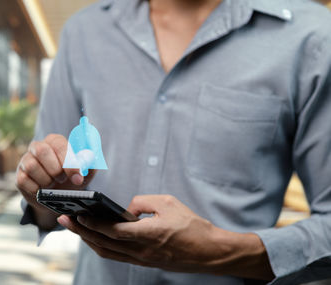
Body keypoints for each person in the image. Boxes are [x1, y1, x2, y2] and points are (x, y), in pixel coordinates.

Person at [16, 0, 331, 284]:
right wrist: (42, 191)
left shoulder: (312, 38)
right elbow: (45, 204)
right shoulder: (84, 32)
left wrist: (221, 252)